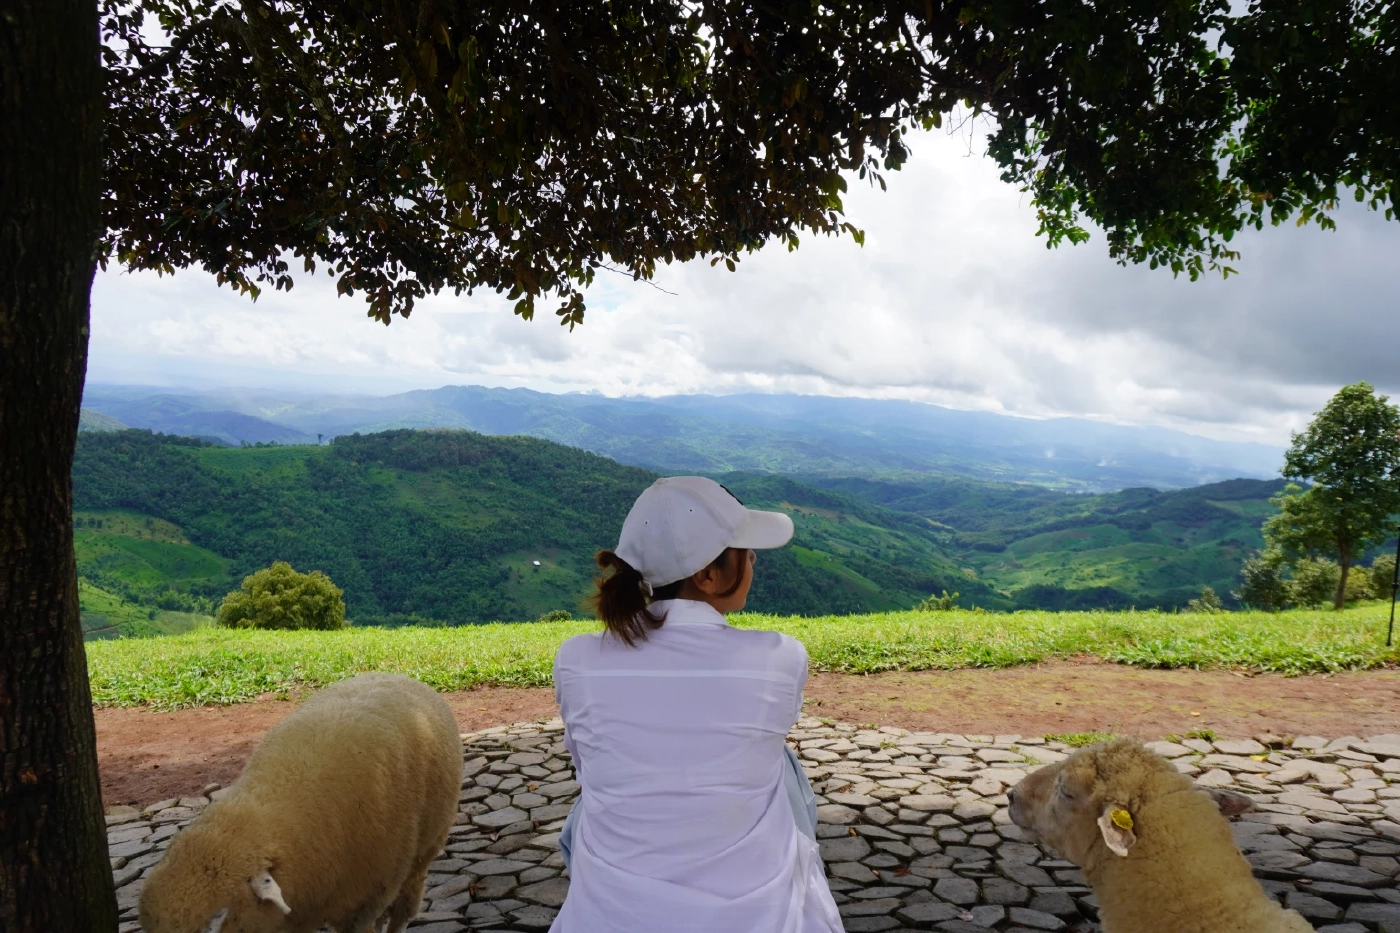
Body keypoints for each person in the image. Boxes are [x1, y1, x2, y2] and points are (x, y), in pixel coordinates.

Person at [549, 476, 842, 933]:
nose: (753, 560)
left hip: (604, 919)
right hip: (764, 920)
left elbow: (587, 765)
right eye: (745, 550)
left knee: (596, 795)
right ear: (708, 575)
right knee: (781, 765)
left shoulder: (577, 660)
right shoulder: (780, 657)